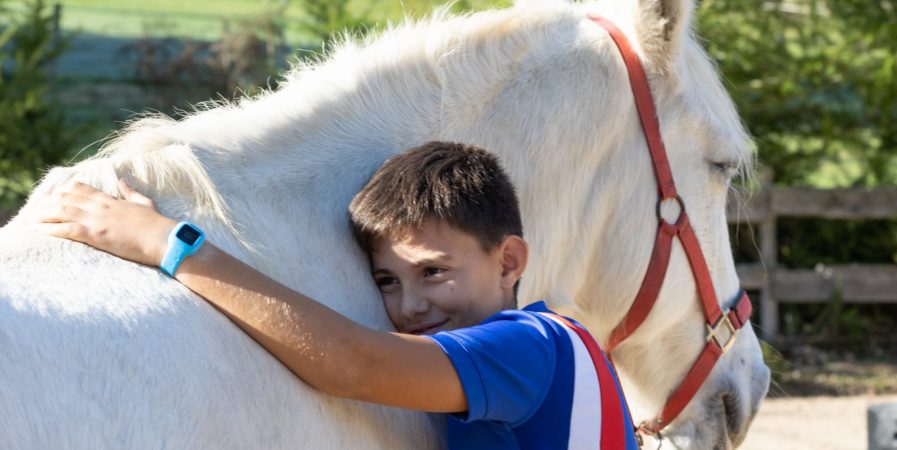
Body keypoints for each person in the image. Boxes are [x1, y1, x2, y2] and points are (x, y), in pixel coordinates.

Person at [32, 141, 639, 449]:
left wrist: (172, 246)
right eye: (387, 281)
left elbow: (354, 363)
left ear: (508, 261)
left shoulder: (528, 347)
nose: (410, 306)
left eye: (433, 272)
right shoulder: (563, 346)